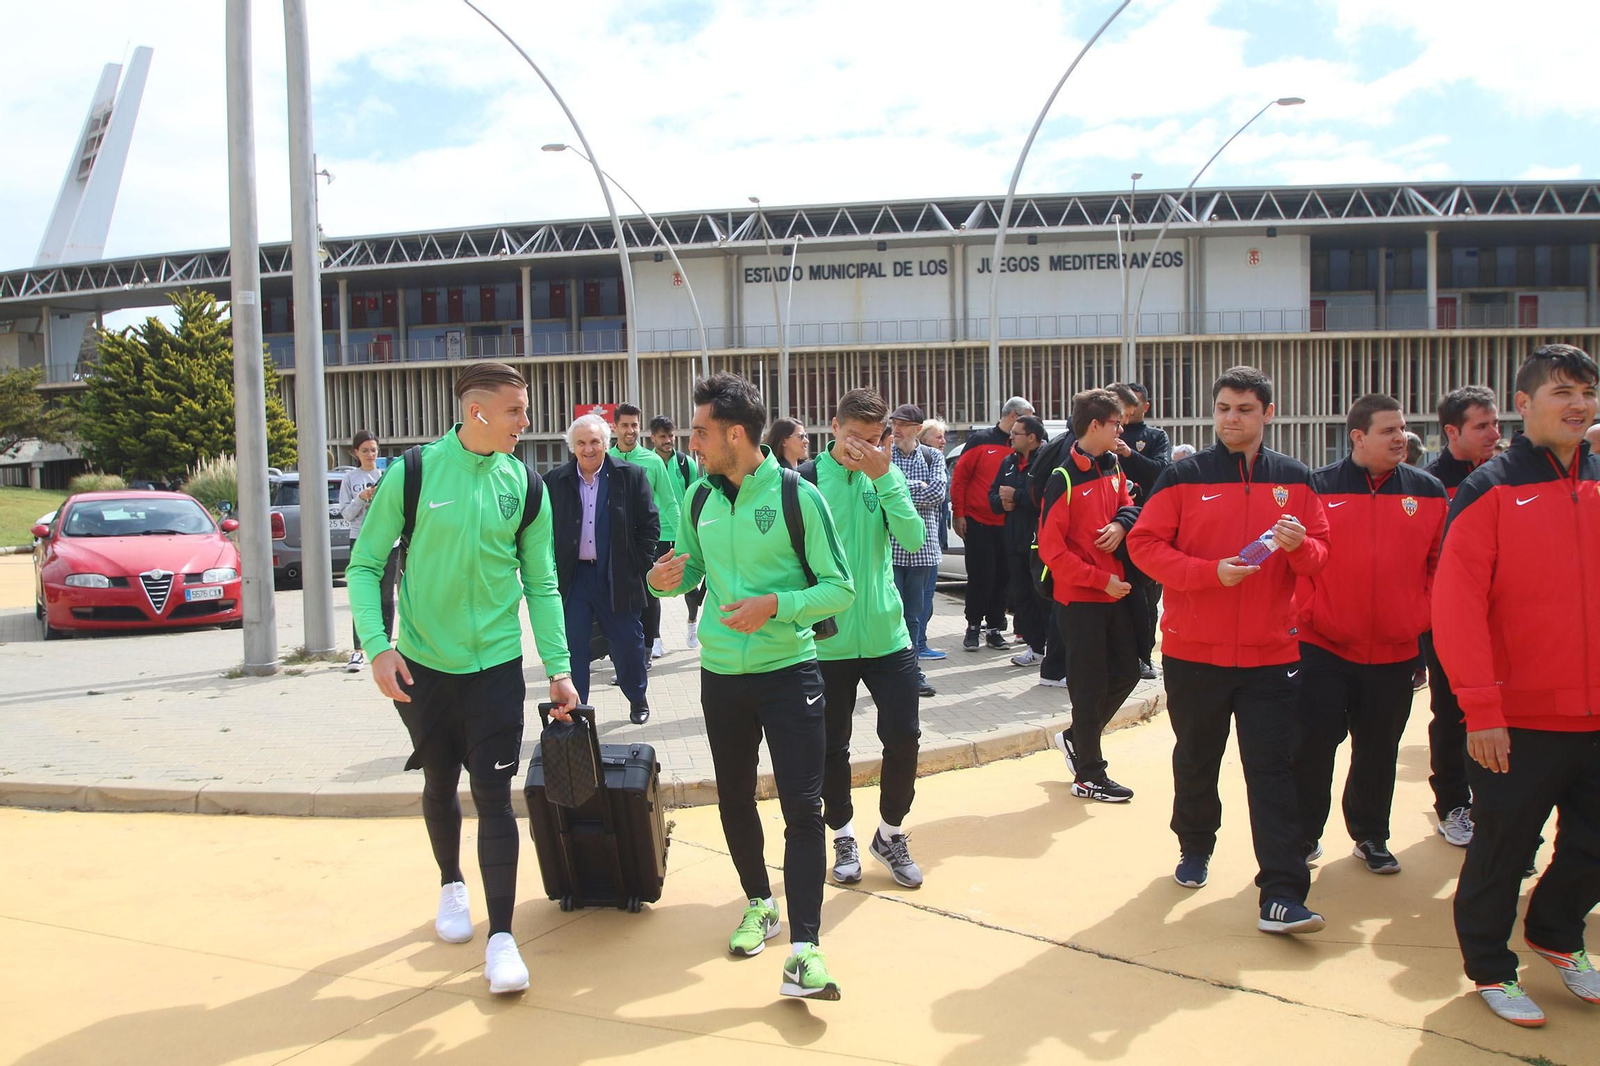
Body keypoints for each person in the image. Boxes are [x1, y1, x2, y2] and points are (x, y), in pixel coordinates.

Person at [348, 361, 577, 996]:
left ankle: (501, 937)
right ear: (477, 412)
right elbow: (366, 566)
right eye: (515, 411)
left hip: (497, 668)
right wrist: (377, 648)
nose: (526, 423)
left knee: (496, 796)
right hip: (423, 665)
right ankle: (452, 883)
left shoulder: (525, 485)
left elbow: (543, 584)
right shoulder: (415, 473)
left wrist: (559, 667)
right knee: (440, 778)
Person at [647, 371, 853, 1001]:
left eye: (702, 431)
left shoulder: (797, 496)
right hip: (721, 678)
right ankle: (759, 904)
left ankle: (805, 950)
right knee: (734, 797)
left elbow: (837, 587)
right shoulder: (699, 498)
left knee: (802, 808)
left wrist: (777, 605)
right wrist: (661, 580)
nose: (693, 441)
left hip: (789, 672)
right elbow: (686, 575)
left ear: (736, 434)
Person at [1126, 365, 1331, 936]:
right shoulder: (1182, 476)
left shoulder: (1296, 478)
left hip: (1272, 656)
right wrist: (1208, 573)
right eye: (1223, 408)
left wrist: (1301, 548)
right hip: (1195, 654)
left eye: (1244, 408)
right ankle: (1195, 844)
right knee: (1197, 758)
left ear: (1268, 412)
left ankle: (1283, 894)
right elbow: (1144, 547)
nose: (1232, 418)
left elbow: (1322, 555)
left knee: (1272, 771)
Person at [1433, 343, 1600, 1028]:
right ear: (1524, 405)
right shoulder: (1490, 488)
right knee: (1503, 848)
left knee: (1592, 842)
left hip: (1594, 712)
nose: (1580, 404)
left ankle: (1557, 934)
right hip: (1517, 717)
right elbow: (1457, 605)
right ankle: (1491, 967)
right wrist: (1481, 708)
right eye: (1562, 391)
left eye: (1587, 391)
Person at [1291, 395, 1447, 876]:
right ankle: (1303, 837)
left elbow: (1440, 566)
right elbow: (1295, 560)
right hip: (1323, 645)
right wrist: (1310, 611)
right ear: (1358, 436)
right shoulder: (1315, 487)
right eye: (1388, 431)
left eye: (1402, 429)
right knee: (1313, 747)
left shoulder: (1428, 491)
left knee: (1379, 748)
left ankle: (1371, 836)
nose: (1400, 437)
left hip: (1396, 650)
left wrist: (1419, 615)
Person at [805, 389, 930, 889]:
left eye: (875, 438)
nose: (863, 446)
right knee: (830, 747)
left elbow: (916, 539)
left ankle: (890, 832)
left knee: (904, 738)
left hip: (886, 634)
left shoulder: (887, 475)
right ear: (834, 428)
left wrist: (884, 480)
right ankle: (842, 834)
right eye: (853, 435)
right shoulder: (808, 480)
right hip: (827, 640)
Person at [1039, 389, 1142, 802]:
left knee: (1129, 672)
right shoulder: (1062, 477)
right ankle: (1089, 775)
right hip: (1080, 598)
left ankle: (1077, 738)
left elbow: (1129, 505)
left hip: (1114, 593)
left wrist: (1120, 523)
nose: (1122, 430)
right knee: (1088, 687)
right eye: (1116, 423)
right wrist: (1100, 581)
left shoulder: (1112, 464)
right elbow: (1052, 550)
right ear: (1095, 425)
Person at [1422, 385, 1501, 848]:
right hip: (1446, 623)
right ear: (1452, 431)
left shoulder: (1506, 477)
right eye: (1481, 426)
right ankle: (1453, 803)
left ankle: (1494, 805)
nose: (1493, 433)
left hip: (1504, 623)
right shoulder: (1430, 485)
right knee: (1452, 713)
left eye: (1495, 424)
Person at [547, 414, 658, 724]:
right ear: (572, 446)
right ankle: (577, 709)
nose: (588, 449)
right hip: (575, 578)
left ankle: (637, 698)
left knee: (627, 643)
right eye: (581, 443)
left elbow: (649, 524)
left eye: (594, 441)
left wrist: (638, 563)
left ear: (605, 443)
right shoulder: (555, 481)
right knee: (575, 647)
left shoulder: (630, 476)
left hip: (617, 576)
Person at [952, 396, 1033, 652]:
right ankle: (973, 627)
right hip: (978, 523)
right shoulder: (980, 440)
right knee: (980, 577)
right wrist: (959, 513)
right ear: (1012, 417)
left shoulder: (1020, 446)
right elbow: (960, 479)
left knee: (1003, 579)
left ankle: (995, 628)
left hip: (1009, 525)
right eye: (1025, 418)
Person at [1108, 383, 1172, 681]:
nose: (1123, 419)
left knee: (1146, 598)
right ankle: (1114, 657)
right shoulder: (1103, 432)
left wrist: (1131, 455)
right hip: (1109, 529)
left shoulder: (1155, 436)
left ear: (1143, 407)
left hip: (1146, 527)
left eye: (1130, 411)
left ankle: (1144, 657)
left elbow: (1162, 472)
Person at [610, 403, 680, 661]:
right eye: (625, 425)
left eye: (635, 425)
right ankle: (622, 653)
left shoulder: (652, 461)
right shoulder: (606, 459)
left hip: (645, 540)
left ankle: (647, 649)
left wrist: (685, 537)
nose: (630, 430)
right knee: (616, 599)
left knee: (647, 594)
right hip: (613, 542)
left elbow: (670, 500)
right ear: (614, 427)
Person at [887, 403, 948, 674]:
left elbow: (937, 493)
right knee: (891, 613)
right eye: (894, 423)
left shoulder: (932, 457)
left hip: (923, 551)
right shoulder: (884, 455)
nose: (896, 429)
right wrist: (912, 488)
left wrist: (898, 492)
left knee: (914, 614)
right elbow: (880, 491)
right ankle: (892, 668)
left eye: (902, 424)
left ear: (917, 429)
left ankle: (911, 669)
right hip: (890, 549)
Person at [989, 415, 1049, 667]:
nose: (1010, 437)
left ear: (1032, 437)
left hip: (1041, 542)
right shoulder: (1008, 462)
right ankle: (1035, 648)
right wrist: (1001, 502)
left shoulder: (1047, 460)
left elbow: (1047, 496)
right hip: (1014, 541)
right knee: (1022, 597)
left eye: (1016, 433)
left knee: (1043, 597)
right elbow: (993, 494)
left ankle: (1050, 646)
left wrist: (1019, 496)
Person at [339, 429, 396, 673]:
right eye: (365, 451)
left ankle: (384, 647)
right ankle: (359, 650)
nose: (370, 455)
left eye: (373, 450)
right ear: (355, 453)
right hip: (361, 542)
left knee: (386, 596)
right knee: (363, 597)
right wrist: (361, 498)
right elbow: (346, 513)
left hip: (387, 542)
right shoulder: (350, 479)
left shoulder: (387, 475)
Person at [650, 415, 707, 649]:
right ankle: (654, 638)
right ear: (653, 437)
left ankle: (692, 623)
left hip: (682, 533)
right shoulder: (647, 463)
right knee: (653, 588)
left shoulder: (686, 464)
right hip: (655, 534)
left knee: (690, 587)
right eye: (663, 436)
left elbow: (697, 495)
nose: (668, 440)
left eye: (671, 436)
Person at [920, 419, 950, 555]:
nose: (943, 441)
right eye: (939, 437)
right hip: (921, 537)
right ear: (923, 439)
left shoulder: (940, 462)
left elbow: (938, 494)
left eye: (943, 437)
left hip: (935, 537)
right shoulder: (920, 462)